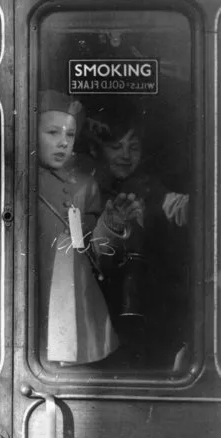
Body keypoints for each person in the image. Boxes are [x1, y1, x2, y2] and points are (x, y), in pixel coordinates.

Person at [79, 98, 189, 366]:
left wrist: (187, 207)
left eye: (134, 147)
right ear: (96, 149)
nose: (126, 155)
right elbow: (90, 252)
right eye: (116, 147)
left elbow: (175, 211)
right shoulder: (85, 190)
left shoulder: (148, 187)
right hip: (101, 310)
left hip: (145, 310)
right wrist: (114, 223)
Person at [36, 90, 143, 366]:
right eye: (52, 133)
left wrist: (111, 225)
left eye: (69, 135)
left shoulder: (86, 185)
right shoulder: (14, 177)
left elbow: (94, 254)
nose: (62, 143)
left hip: (73, 306)